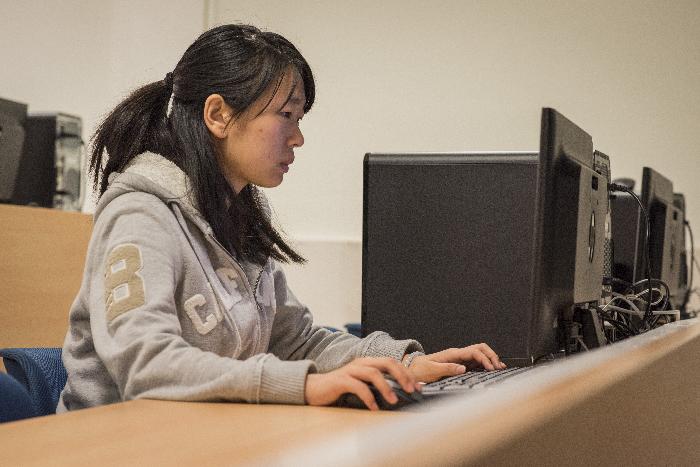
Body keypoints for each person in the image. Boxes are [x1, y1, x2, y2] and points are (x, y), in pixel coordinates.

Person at [57, 24, 505, 413]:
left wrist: (406, 364)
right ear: (218, 114)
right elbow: (147, 365)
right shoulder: (140, 213)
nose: (299, 138)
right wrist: (301, 385)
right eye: (285, 115)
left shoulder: (236, 218)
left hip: (203, 436)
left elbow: (296, 341)